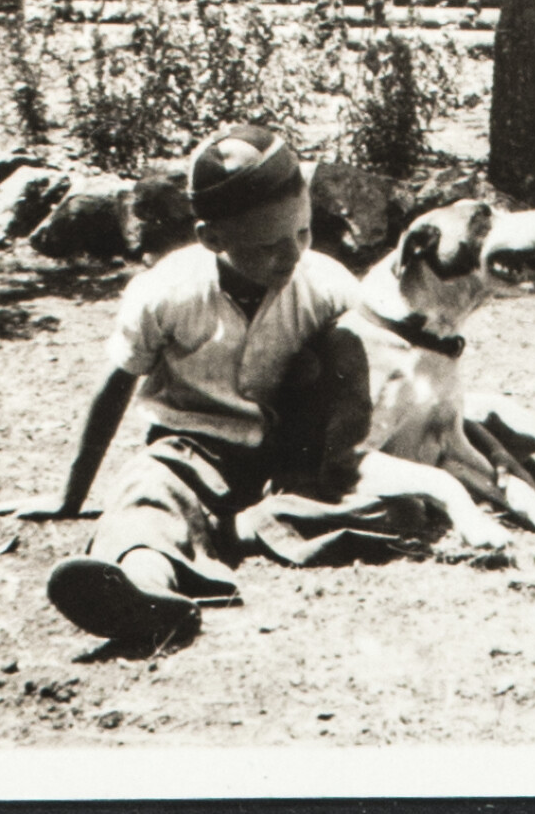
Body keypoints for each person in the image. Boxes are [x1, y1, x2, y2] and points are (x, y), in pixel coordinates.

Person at [20, 122, 362, 643]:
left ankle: (231, 530)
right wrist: (72, 495)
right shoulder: (168, 292)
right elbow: (117, 385)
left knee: (387, 504)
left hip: (295, 454)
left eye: (302, 233)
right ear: (212, 239)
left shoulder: (329, 287)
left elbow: (374, 378)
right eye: (268, 245)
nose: (291, 256)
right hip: (193, 450)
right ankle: (144, 588)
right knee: (146, 493)